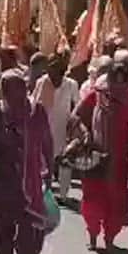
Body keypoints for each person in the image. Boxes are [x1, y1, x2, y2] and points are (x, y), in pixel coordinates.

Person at [0, 70, 53, 254]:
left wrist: (49, 169)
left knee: (29, 227)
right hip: (1, 180)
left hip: (30, 180)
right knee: (3, 228)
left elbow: (46, 141)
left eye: (21, 87)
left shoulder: (36, 112)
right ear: (3, 91)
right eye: (9, 89)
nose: (17, 94)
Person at [74, 59, 128, 251]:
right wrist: (85, 134)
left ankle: (110, 238)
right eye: (115, 81)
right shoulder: (96, 96)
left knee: (117, 202)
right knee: (93, 199)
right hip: (96, 157)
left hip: (120, 161)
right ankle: (93, 234)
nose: (118, 87)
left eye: (123, 81)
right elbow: (76, 117)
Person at [33, 52, 82, 203]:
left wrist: (74, 121)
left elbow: (78, 104)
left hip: (63, 128)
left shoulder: (71, 84)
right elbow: (34, 103)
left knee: (65, 161)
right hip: (43, 129)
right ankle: (43, 190)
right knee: (43, 162)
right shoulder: (42, 82)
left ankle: (63, 195)